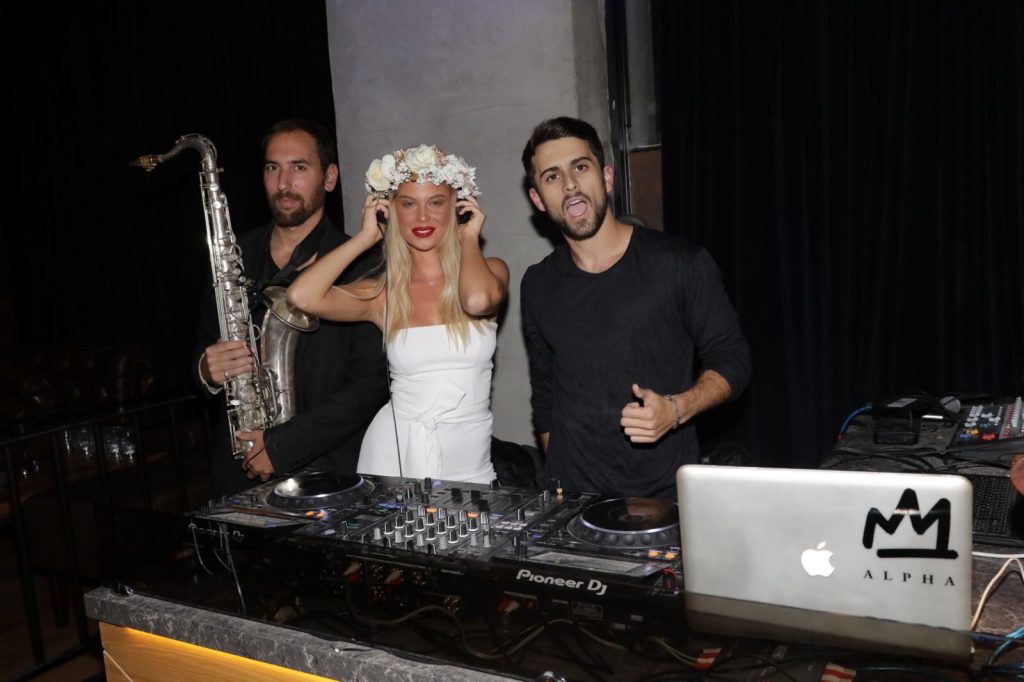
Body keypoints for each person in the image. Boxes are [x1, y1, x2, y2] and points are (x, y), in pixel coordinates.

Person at [520, 116, 751, 500]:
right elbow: (545, 390)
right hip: (571, 500)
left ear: (607, 177)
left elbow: (733, 358)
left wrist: (676, 409)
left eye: (580, 167)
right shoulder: (537, 283)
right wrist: (557, 472)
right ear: (538, 199)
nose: (570, 184)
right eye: (552, 176)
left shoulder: (679, 264)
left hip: (659, 498)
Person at [287, 144, 509, 483]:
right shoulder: (383, 294)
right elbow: (301, 296)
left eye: (436, 202)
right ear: (390, 210)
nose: (422, 217)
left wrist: (468, 237)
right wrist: (365, 238)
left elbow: (478, 301)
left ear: (457, 206)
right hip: (394, 458)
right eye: (408, 204)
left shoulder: (491, 270)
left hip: (471, 469)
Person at [194, 119, 388, 495]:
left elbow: (370, 386)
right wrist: (206, 369)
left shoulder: (364, 263)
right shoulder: (232, 256)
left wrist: (281, 447)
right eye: (273, 168)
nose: (283, 183)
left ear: (329, 178)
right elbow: (202, 345)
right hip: (240, 473)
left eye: (299, 167)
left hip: (328, 473)